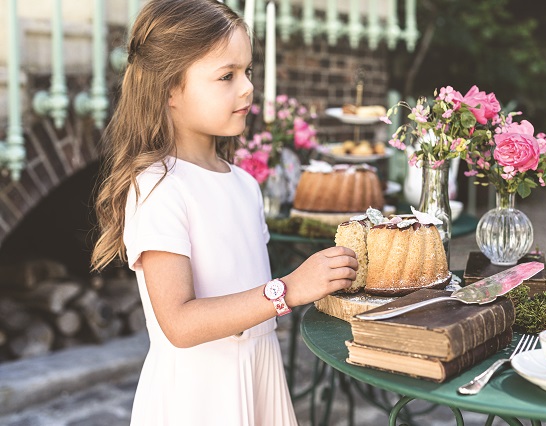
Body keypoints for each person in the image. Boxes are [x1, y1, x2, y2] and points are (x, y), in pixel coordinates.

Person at [90, 1, 358, 425]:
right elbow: (178, 322)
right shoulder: (159, 187)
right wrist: (289, 289)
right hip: (199, 396)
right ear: (170, 89)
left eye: (248, 71)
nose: (248, 87)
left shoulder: (244, 184)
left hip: (259, 373)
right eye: (227, 76)